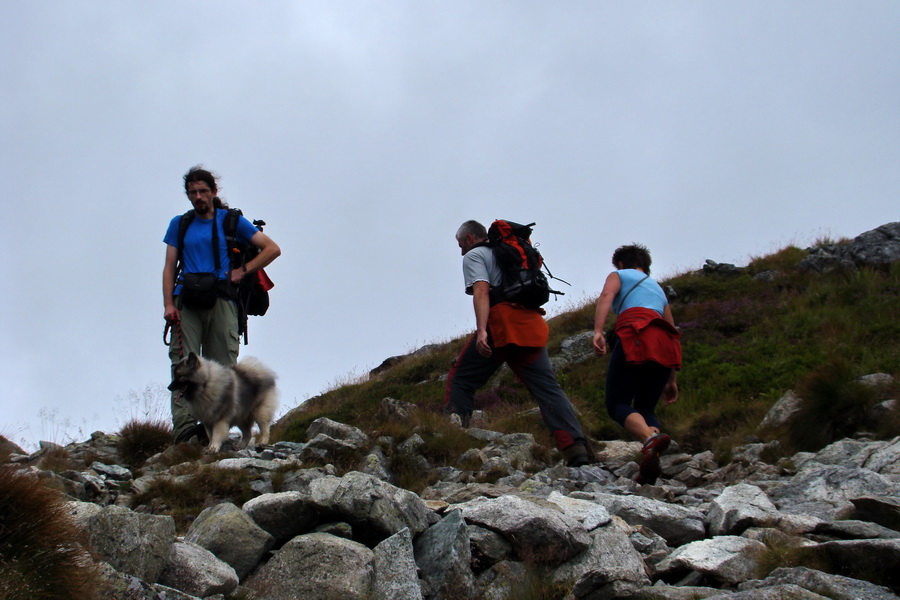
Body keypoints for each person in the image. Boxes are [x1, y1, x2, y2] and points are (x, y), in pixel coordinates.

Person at [445, 220, 590, 467]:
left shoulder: (474, 256)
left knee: (461, 378)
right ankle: (576, 448)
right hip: (530, 323)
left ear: (469, 238)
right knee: (547, 388)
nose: (460, 251)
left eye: (460, 244)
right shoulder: (508, 252)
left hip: (502, 324)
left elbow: (481, 290)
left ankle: (454, 441)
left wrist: (482, 331)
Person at [163, 166, 281, 443]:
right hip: (186, 300)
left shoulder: (231, 221)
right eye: (193, 192)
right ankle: (184, 433)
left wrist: (243, 270)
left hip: (223, 299)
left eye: (203, 191)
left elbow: (272, 249)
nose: (198, 197)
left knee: (224, 367)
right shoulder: (179, 224)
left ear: (214, 192)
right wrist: (169, 304)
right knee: (182, 365)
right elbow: (169, 267)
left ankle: (218, 431)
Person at [592, 244, 681, 484]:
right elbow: (671, 330)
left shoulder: (619, 275)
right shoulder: (658, 289)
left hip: (636, 336)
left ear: (620, 264)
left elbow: (606, 296)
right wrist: (671, 379)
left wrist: (598, 331)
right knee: (646, 409)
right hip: (664, 346)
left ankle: (648, 439)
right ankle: (652, 457)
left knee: (617, 403)